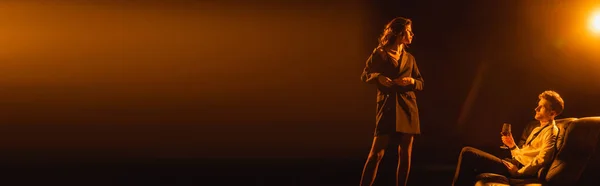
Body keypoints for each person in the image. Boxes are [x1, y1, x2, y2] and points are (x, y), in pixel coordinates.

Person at [359, 16, 424, 186]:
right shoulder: (380, 53)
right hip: (388, 106)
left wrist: (411, 82)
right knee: (376, 154)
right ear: (400, 33)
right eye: (409, 31)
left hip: (408, 106)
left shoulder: (410, 58)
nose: (412, 35)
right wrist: (378, 77)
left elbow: (420, 82)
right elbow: (365, 75)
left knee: (405, 154)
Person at [451, 90, 564, 186]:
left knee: (468, 153)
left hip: (519, 168)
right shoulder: (536, 128)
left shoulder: (551, 132)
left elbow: (543, 159)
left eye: (542, 107)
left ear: (552, 113)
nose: (536, 108)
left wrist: (519, 173)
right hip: (514, 162)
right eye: (538, 105)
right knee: (475, 160)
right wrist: (512, 146)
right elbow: (525, 154)